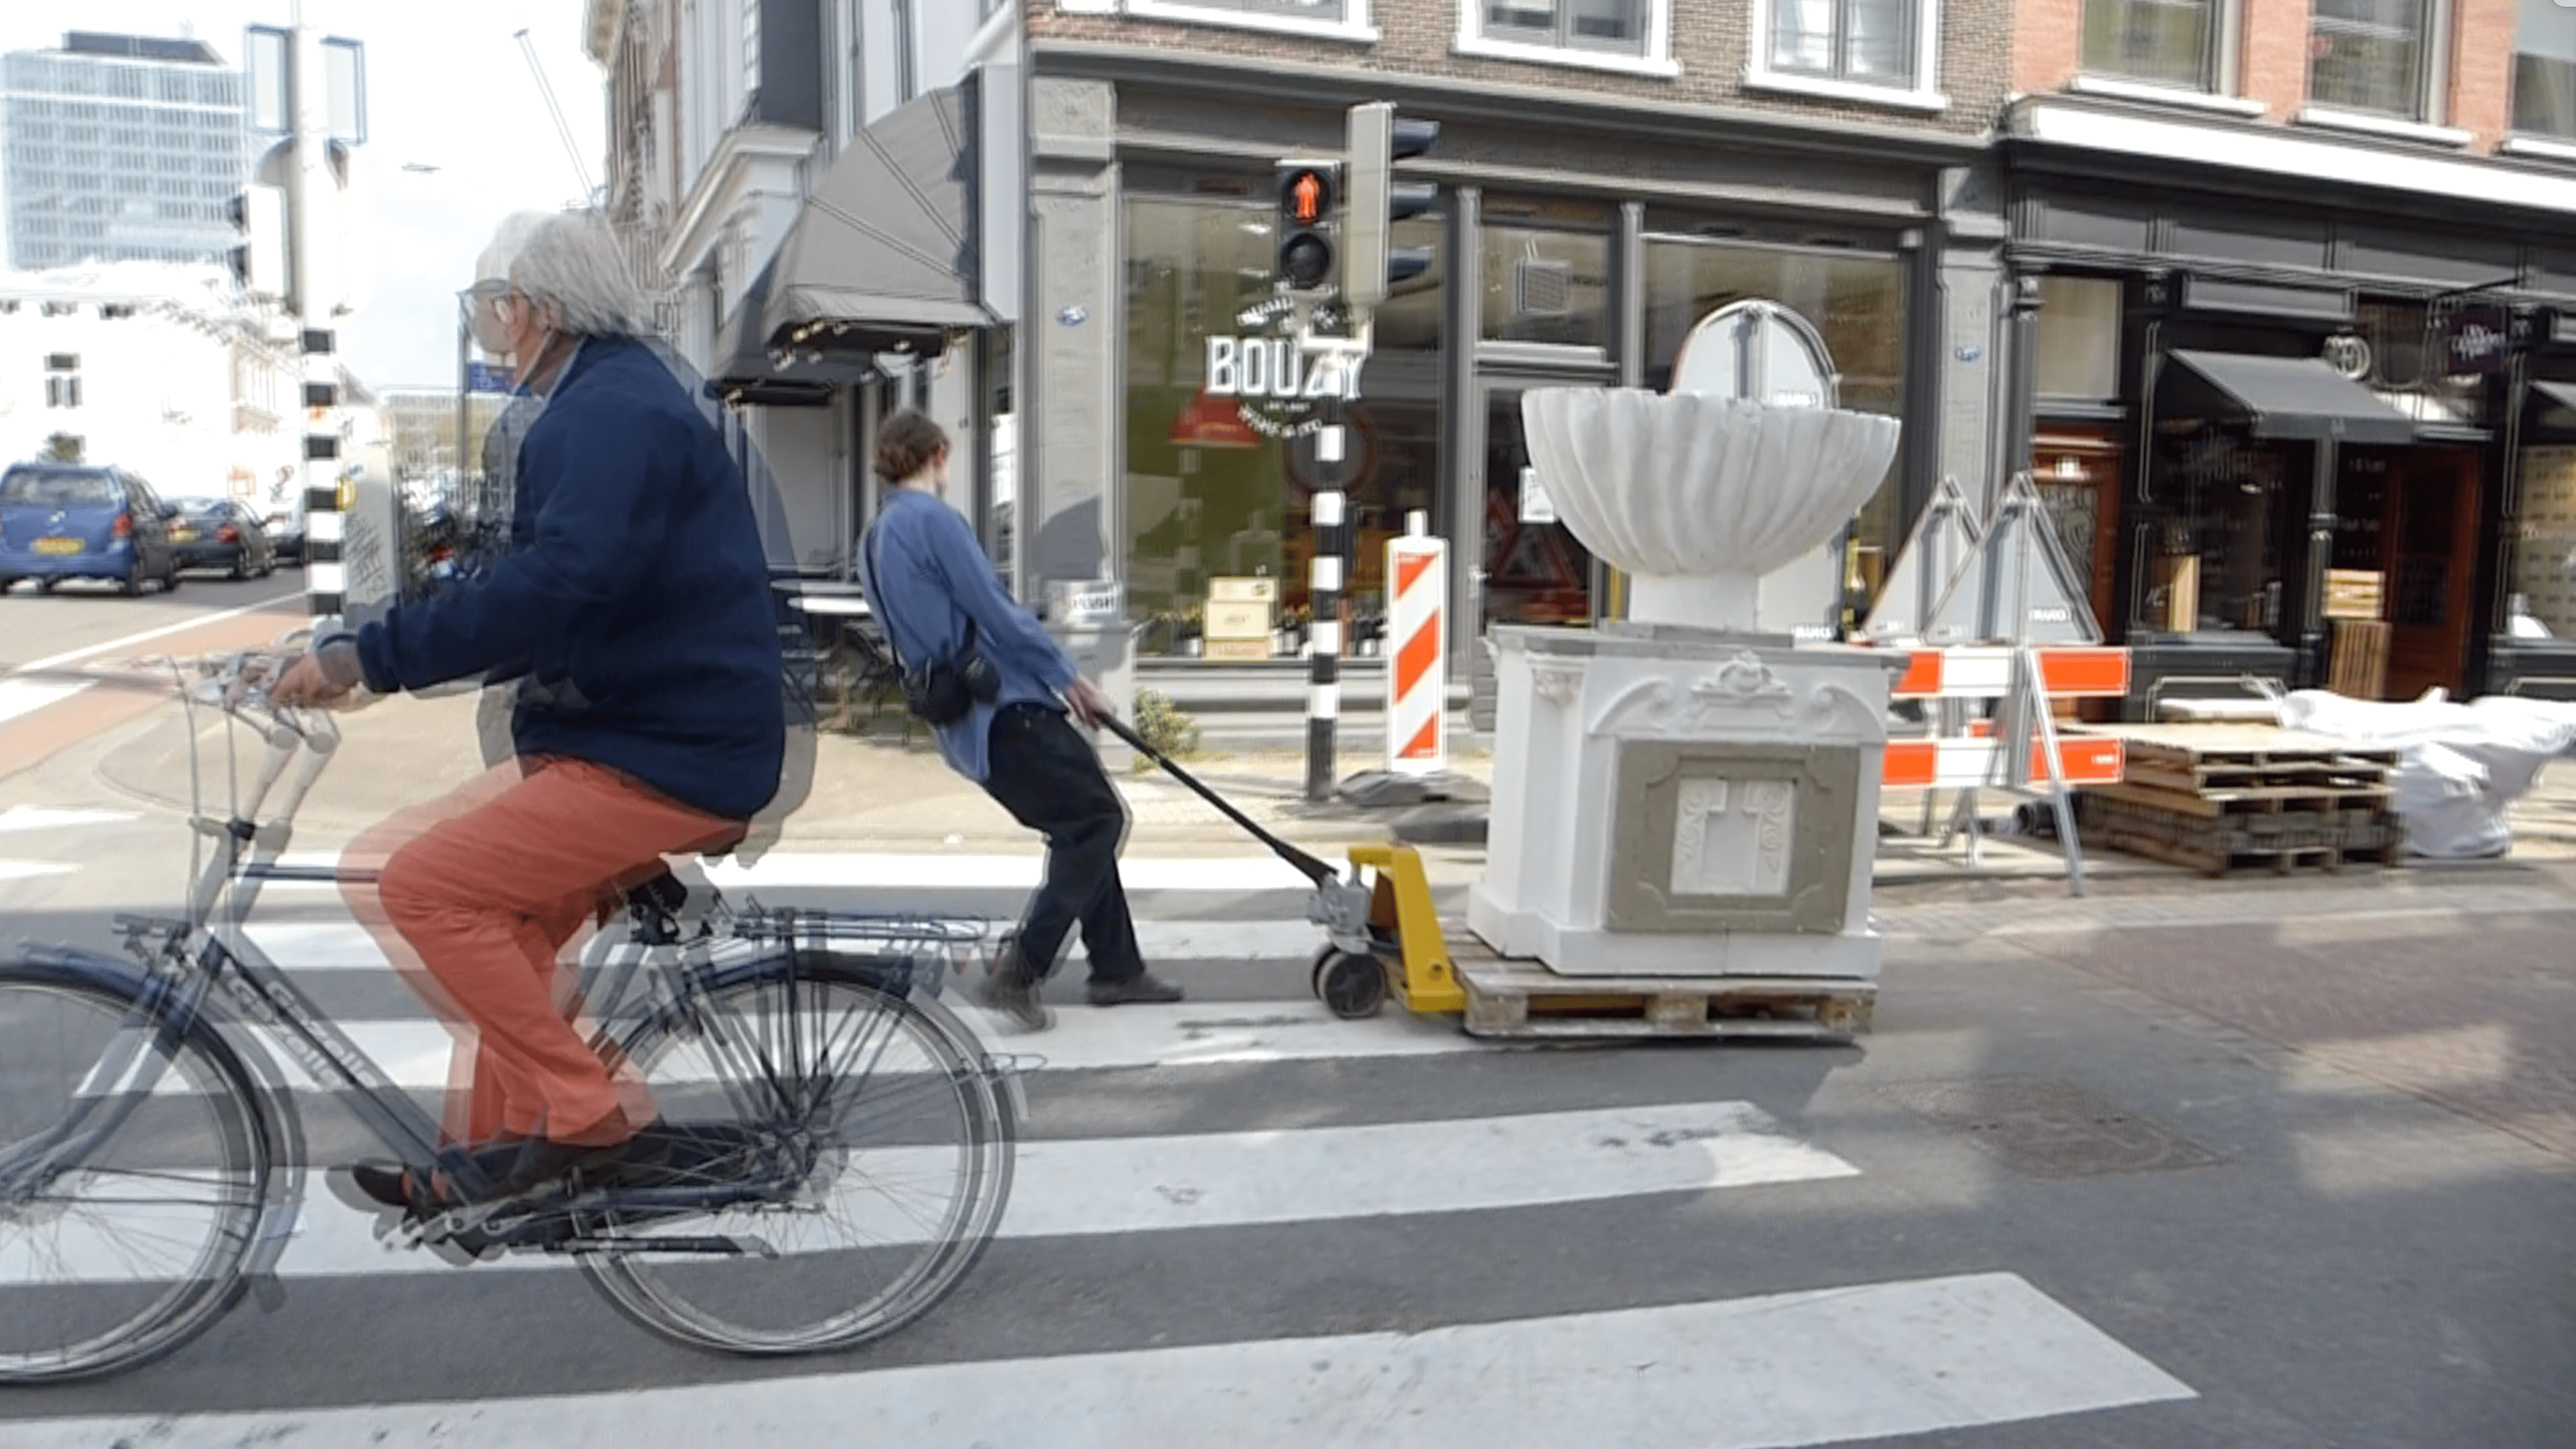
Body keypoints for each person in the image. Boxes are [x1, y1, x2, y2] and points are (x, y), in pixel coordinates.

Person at [268, 211, 792, 1211]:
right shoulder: (613, 400)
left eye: (491, 311)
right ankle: (490, 1164)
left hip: (663, 755)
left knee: (417, 885)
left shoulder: (606, 415)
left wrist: (367, 661)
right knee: (497, 935)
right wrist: (380, 652)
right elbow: (533, 594)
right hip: (641, 738)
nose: (489, 335)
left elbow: (556, 589)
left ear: (537, 310)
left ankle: (587, 1117)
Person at [857, 410, 1183, 1031]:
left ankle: (1117, 968)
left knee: (1080, 824)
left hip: (961, 724)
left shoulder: (872, 541)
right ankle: (1022, 968)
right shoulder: (934, 522)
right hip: (1006, 710)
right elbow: (1001, 616)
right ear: (939, 456)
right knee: (1097, 819)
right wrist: (1073, 679)